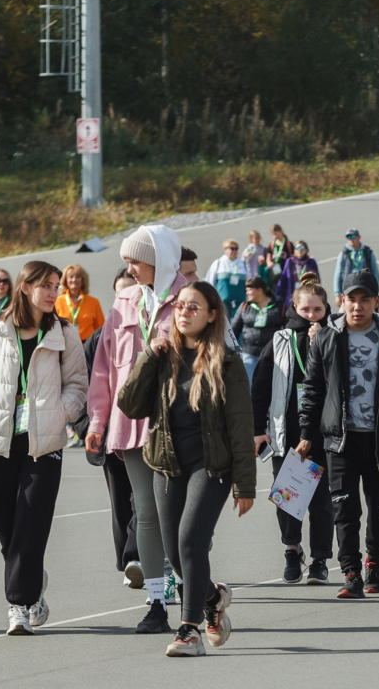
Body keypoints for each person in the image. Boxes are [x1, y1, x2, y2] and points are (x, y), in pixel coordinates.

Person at [117, 280, 255, 657]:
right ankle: (212, 597)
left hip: (211, 466)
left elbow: (242, 426)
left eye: (194, 307)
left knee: (191, 539)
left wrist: (246, 484)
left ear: (212, 315)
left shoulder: (227, 362)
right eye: (180, 306)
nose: (184, 312)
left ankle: (189, 630)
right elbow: (129, 406)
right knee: (176, 553)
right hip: (167, 465)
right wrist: (147, 356)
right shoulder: (163, 357)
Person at [0, 260, 88, 635]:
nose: (53, 292)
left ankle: (19, 605)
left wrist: (64, 412)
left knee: (32, 519)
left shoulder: (64, 333)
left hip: (44, 443)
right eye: (46, 285)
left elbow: (78, 383)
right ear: (25, 287)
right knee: (5, 525)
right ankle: (31, 581)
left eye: (56, 286)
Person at [296, 270, 379, 599]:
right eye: (351, 299)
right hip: (340, 441)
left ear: (376, 302)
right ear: (342, 301)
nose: (357, 306)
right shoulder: (327, 339)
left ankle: (374, 563)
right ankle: (351, 572)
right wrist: (306, 433)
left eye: (364, 299)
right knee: (344, 508)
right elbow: (312, 389)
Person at [87, 224, 186, 633]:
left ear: (160, 259)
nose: (129, 266)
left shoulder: (189, 300)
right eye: (127, 259)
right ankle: (157, 603)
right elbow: (104, 368)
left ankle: (196, 592)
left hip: (178, 425)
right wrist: (97, 420)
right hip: (130, 426)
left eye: (136, 259)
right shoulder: (123, 300)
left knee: (176, 516)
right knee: (145, 512)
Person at [252, 274, 334, 586]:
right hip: (284, 432)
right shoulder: (280, 340)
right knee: (288, 499)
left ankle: (320, 560)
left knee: (321, 502)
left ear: (326, 309)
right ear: (294, 308)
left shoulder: (332, 337)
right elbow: (259, 387)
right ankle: (292, 549)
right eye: (306, 309)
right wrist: (258, 429)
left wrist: (320, 342)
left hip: (322, 433)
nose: (311, 315)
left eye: (317, 309)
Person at [80, 268, 142, 588]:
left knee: (142, 501)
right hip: (111, 433)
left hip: (143, 432)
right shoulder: (101, 336)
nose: (127, 298)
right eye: (121, 293)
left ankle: (137, 555)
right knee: (120, 499)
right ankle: (127, 559)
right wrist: (89, 426)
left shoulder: (148, 327)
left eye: (132, 291)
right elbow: (90, 384)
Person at [231, 277, 283, 384]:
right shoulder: (244, 306)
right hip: (249, 353)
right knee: (249, 384)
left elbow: (288, 329)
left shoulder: (279, 306)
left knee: (270, 385)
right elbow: (233, 331)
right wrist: (229, 351)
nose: (246, 293)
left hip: (272, 354)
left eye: (249, 290)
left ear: (259, 290)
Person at [55, 264, 105, 342]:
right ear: (65, 280)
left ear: (83, 279)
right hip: (66, 346)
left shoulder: (93, 302)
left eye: (78, 276)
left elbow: (101, 329)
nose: (74, 279)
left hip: (88, 346)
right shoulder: (57, 301)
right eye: (71, 277)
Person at [332, 229, 379, 308]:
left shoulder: (367, 252)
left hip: (366, 290)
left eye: (353, 236)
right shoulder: (344, 254)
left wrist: (375, 291)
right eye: (348, 237)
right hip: (348, 290)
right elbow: (338, 274)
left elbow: (376, 273)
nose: (351, 239)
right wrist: (337, 294)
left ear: (359, 237)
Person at [205, 240, 248, 318]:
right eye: (232, 248)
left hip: (240, 301)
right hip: (223, 302)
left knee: (238, 322)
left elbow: (249, 280)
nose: (234, 251)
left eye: (236, 249)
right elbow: (210, 281)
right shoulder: (218, 263)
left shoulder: (242, 264)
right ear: (225, 249)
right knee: (224, 322)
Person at [275, 240, 319, 308]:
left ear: (306, 249)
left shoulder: (311, 262)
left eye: (302, 248)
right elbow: (283, 279)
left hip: (307, 295)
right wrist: (277, 293)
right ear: (294, 250)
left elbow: (316, 279)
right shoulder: (289, 261)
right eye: (297, 248)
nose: (299, 250)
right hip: (291, 295)